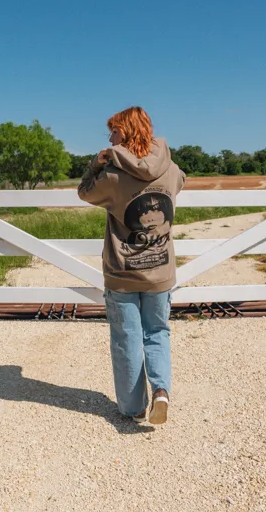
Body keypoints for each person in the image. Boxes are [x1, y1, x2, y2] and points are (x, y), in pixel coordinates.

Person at [78, 106, 185, 425]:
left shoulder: (111, 176)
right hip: (160, 271)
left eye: (112, 131)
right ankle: (161, 391)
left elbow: (84, 192)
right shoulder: (170, 166)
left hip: (123, 274)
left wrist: (95, 164)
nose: (109, 137)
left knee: (127, 339)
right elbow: (181, 181)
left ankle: (133, 408)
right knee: (157, 332)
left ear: (124, 133)